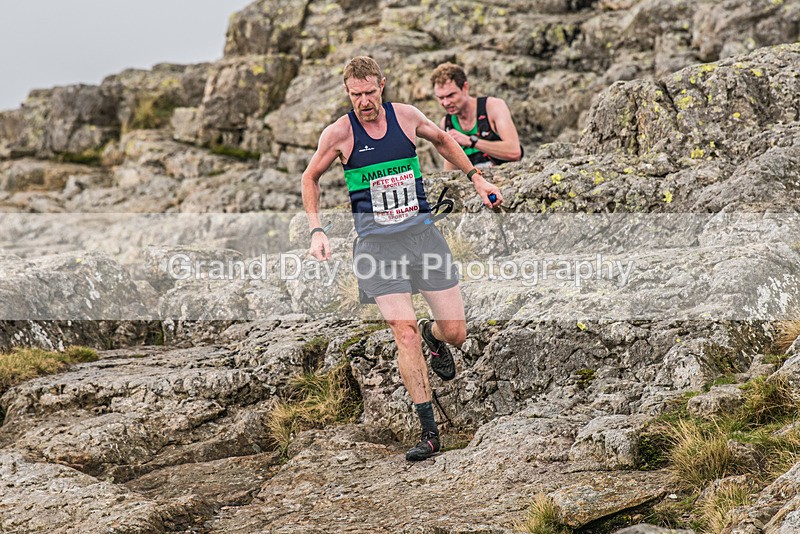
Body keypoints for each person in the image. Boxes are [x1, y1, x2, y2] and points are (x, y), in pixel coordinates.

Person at [301, 56, 503, 461]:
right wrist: (316, 229)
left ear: (382, 86)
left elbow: (444, 141)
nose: (364, 102)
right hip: (377, 249)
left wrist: (477, 178)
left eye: (370, 93)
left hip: (422, 238)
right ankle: (429, 431)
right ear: (348, 92)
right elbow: (311, 177)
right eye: (355, 95)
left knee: (456, 333)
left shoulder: (406, 116)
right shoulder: (339, 133)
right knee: (403, 332)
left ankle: (435, 337)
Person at [431, 62, 523, 169]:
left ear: (465, 87)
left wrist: (471, 141)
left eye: (451, 95)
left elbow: (515, 152)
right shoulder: (447, 123)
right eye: (441, 98)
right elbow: (450, 171)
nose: (446, 103)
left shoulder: (493, 107)